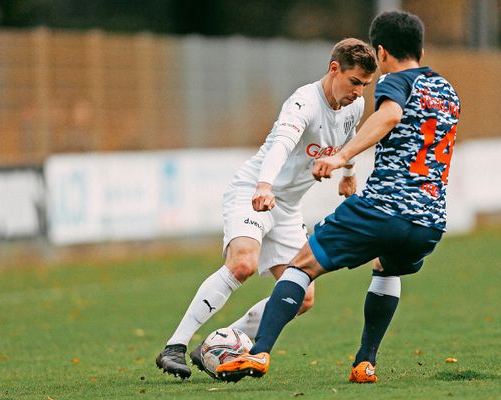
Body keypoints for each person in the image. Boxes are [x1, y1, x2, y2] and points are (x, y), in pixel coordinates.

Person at [216, 10, 460, 384]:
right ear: (421, 49)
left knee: (301, 266)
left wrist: (342, 156)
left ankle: (259, 352)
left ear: (380, 52)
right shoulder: (447, 90)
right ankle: (365, 362)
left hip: (383, 208)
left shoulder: (395, 82)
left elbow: (391, 116)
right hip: (429, 221)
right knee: (386, 267)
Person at [155, 38, 377, 379]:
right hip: (255, 190)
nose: (359, 93)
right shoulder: (303, 102)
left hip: (287, 207)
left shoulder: (354, 107)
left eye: (365, 85)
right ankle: (175, 347)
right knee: (243, 263)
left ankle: (216, 345)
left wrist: (347, 174)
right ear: (335, 69)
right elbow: (280, 144)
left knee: (302, 297)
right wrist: (264, 186)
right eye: (355, 83)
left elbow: (347, 142)